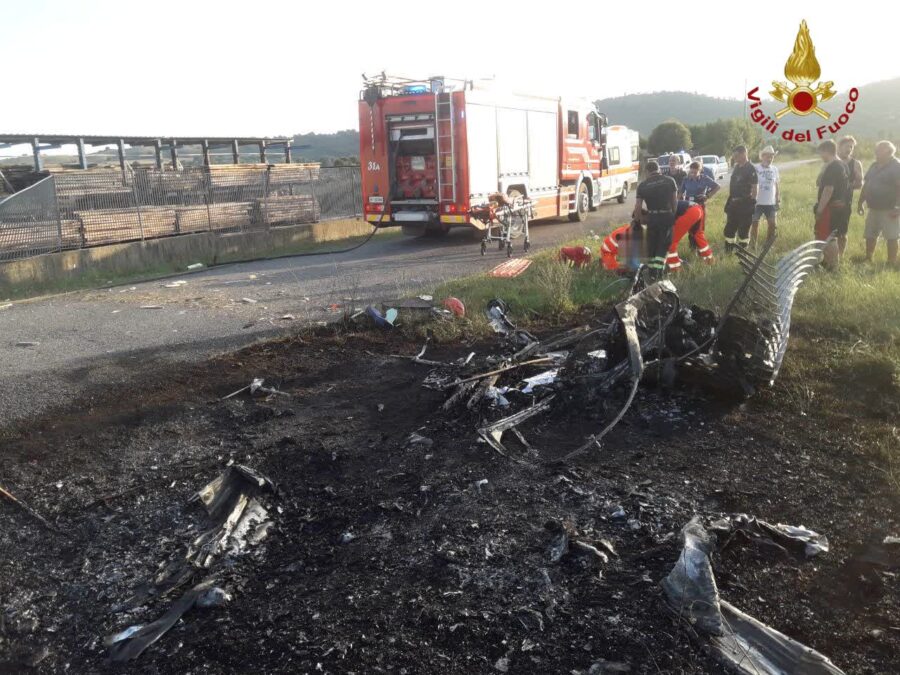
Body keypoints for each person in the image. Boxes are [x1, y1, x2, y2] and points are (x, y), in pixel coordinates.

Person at [858, 140, 900, 266]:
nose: (875, 152)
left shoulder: (896, 166)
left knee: (891, 236)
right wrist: (860, 202)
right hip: (874, 207)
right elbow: (866, 185)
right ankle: (868, 258)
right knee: (870, 234)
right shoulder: (874, 165)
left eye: (878, 150)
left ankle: (891, 262)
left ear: (888, 151)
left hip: (890, 209)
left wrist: (898, 207)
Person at [634, 161, 678, 276]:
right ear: (658, 169)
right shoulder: (669, 181)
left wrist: (638, 221)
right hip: (666, 217)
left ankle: (652, 272)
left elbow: (638, 206)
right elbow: (674, 202)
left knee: (652, 245)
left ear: (647, 171)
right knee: (663, 245)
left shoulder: (642, 185)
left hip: (652, 218)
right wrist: (674, 216)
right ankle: (658, 273)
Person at [814, 139, 850, 267]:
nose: (820, 156)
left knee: (828, 236)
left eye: (821, 153)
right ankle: (827, 261)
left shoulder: (834, 166)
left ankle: (833, 266)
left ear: (826, 151)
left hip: (829, 208)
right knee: (829, 235)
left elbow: (828, 190)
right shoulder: (843, 164)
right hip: (838, 207)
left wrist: (819, 209)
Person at [723, 145, 758, 252]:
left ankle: (743, 255)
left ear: (744, 154)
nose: (735, 158)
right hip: (733, 205)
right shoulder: (737, 167)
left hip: (745, 205)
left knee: (743, 232)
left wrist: (752, 203)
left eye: (737, 156)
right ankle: (728, 252)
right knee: (729, 230)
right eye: (734, 156)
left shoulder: (750, 168)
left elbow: (755, 187)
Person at [750, 145, 780, 248]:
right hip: (757, 202)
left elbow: (776, 184)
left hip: (770, 203)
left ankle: (768, 245)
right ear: (762, 156)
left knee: (772, 224)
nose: (770, 159)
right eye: (767, 156)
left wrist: (778, 199)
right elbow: (751, 184)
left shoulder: (775, 169)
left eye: (771, 157)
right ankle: (753, 245)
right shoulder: (755, 168)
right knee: (754, 224)